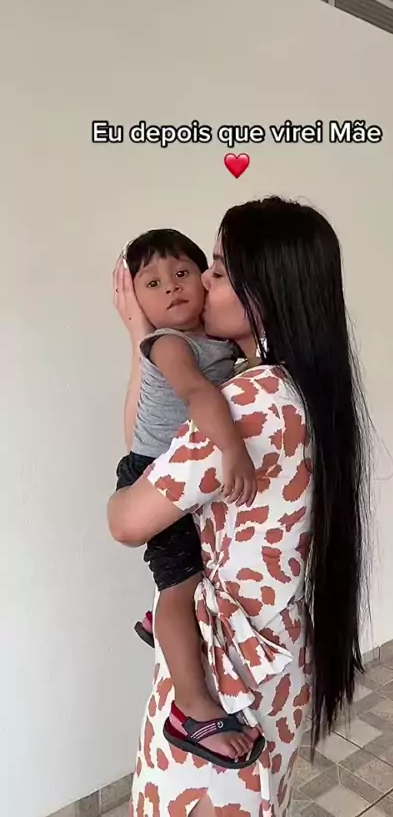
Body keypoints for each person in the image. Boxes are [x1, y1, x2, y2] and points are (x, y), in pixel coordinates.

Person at [108, 197, 371, 817]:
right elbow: (153, 439)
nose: (200, 281)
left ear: (264, 295)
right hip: (280, 653)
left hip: (227, 671)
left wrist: (147, 340)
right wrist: (147, 344)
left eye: (219, 270)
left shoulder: (245, 402)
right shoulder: (300, 385)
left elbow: (127, 520)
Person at [113, 228, 259, 763]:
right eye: (152, 283)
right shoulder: (169, 344)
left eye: (181, 273)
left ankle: (165, 624)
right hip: (151, 475)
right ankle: (194, 710)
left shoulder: (221, 342)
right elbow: (198, 393)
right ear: (136, 303)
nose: (171, 287)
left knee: (197, 575)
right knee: (180, 587)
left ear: (205, 279)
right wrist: (233, 449)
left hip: (180, 479)